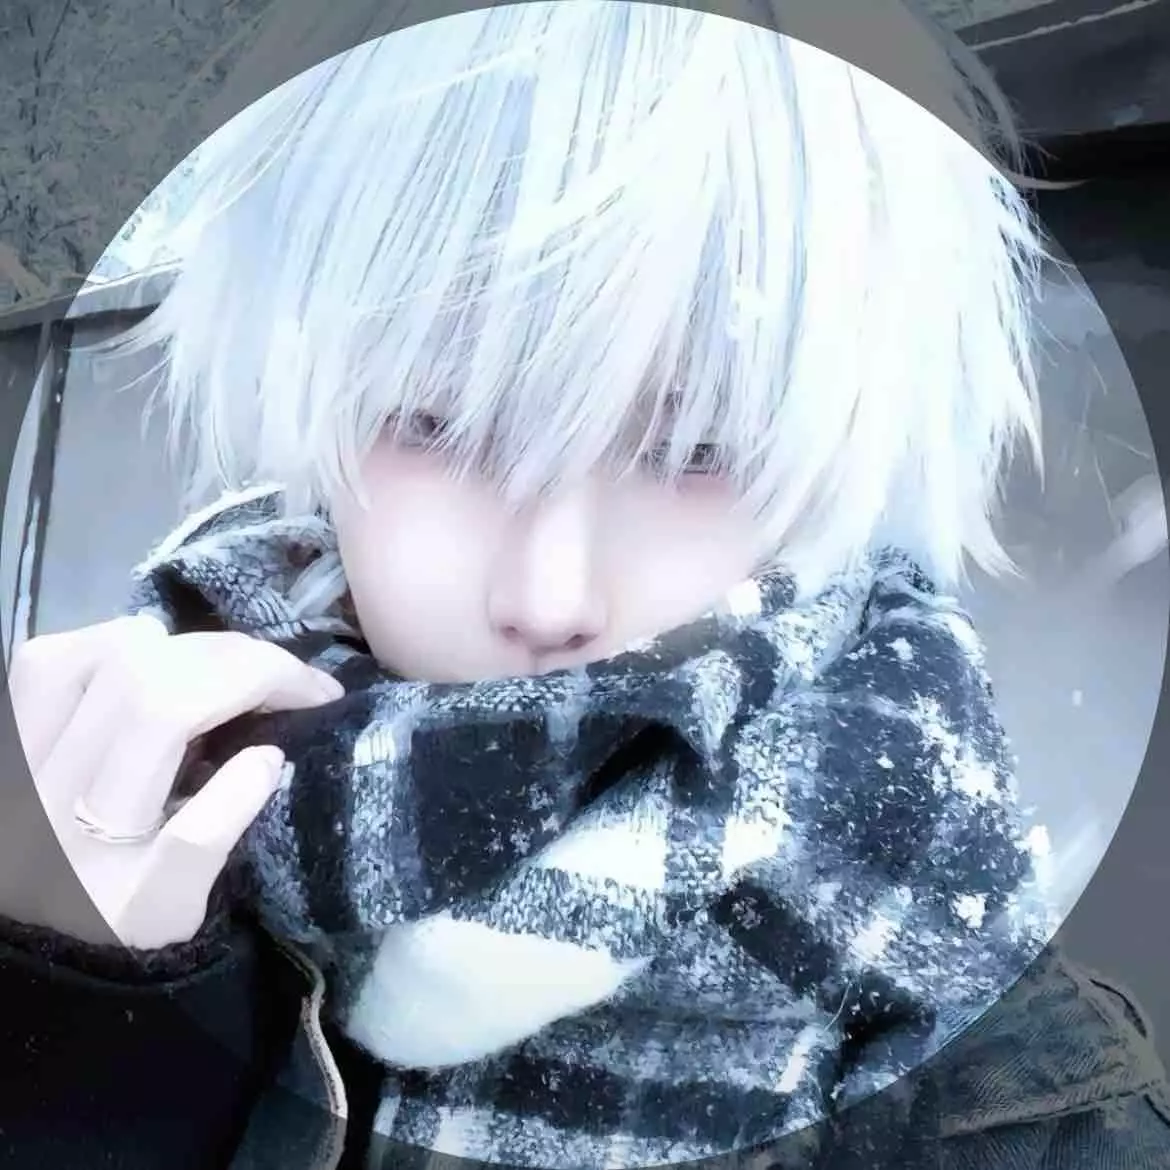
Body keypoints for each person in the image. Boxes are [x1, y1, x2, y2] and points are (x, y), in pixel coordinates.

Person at [1, 4, 1167, 1169]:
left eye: (696, 451)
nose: (549, 596)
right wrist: (78, 1024)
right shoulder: (109, 804)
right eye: (437, 423)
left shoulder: (1018, 1102)